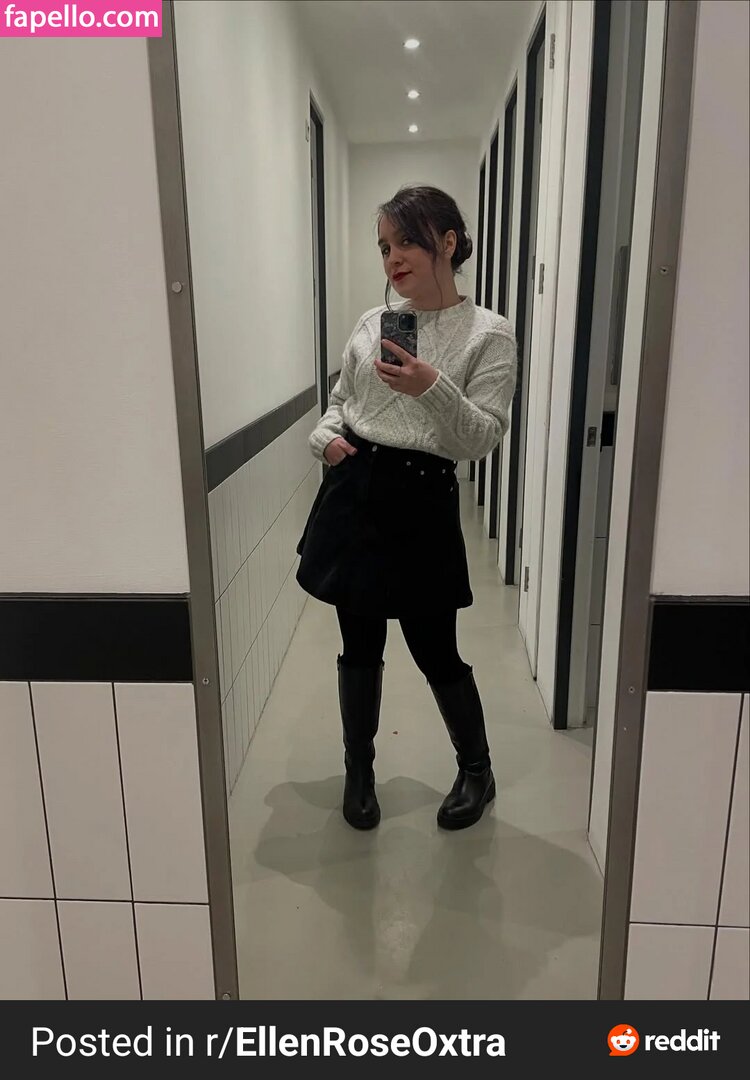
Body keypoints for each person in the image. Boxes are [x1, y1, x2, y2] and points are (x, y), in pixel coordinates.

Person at [296, 185, 517, 832]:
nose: (392, 258)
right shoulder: (373, 323)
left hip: (422, 497)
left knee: (435, 648)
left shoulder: (490, 334)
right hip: (355, 488)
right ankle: (359, 773)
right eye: (384, 247)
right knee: (359, 645)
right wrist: (325, 439)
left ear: (448, 242)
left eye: (406, 242)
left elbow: (480, 438)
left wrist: (432, 386)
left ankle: (477, 769)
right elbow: (341, 402)